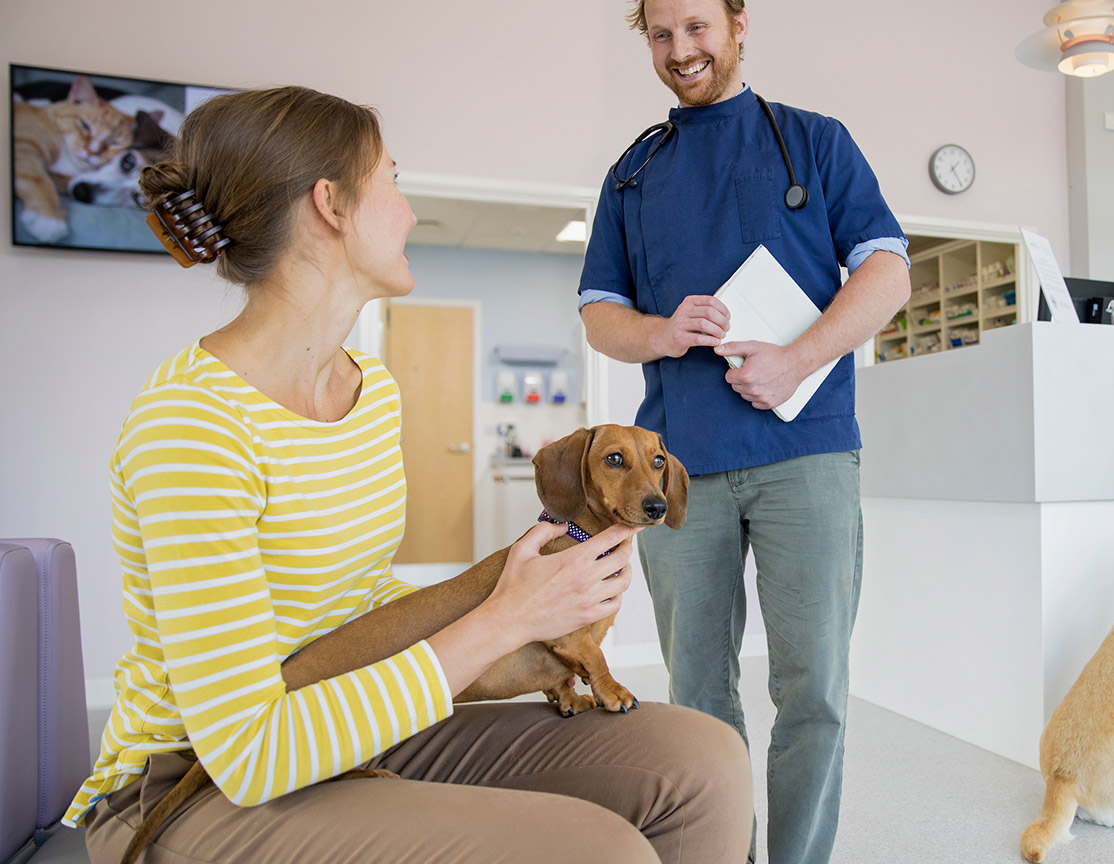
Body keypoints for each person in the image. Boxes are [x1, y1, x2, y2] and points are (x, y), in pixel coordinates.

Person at [66, 85, 752, 864]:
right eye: (392, 179)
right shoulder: (192, 425)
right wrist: (501, 622)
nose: (410, 210)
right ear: (331, 205)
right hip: (195, 783)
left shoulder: (369, 389)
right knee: (596, 849)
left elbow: (358, 604)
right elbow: (249, 752)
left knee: (703, 759)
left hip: (341, 716)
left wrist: (524, 599)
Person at [577, 2, 911, 861]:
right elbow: (599, 315)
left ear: (736, 24)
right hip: (677, 470)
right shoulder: (632, 172)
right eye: (659, 35)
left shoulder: (814, 141)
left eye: (696, 28)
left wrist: (798, 360)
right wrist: (660, 332)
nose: (680, 51)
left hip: (807, 452)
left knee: (814, 687)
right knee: (696, 695)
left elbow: (887, 272)